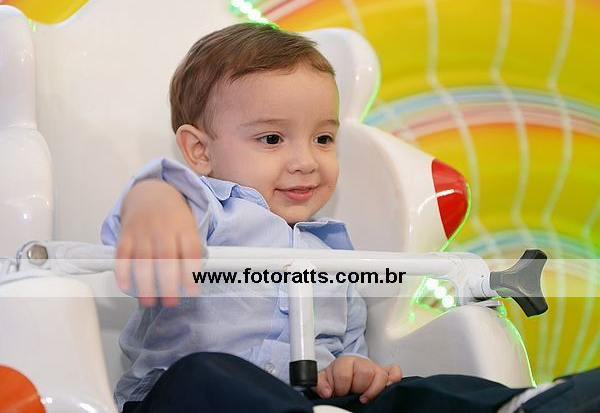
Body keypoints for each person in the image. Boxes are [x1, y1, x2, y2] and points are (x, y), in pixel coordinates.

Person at [102, 22, 599, 413]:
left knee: (414, 391)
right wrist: (156, 204)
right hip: (185, 398)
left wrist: (352, 371)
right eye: (272, 139)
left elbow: (344, 354)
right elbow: (150, 203)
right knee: (207, 373)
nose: (306, 161)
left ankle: (520, 405)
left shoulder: (335, 255)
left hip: (310, 400)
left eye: (323, 138)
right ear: (199, 151)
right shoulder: (204, 208)